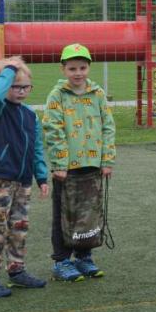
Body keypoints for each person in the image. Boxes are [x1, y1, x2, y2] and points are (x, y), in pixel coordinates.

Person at [0, 57, 50, 298]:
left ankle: (17, 271)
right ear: (4, 85)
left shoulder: (30, 115)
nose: (20, 91)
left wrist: (41, 176)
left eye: (25, 86)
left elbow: (36, 148)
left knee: (19, 227)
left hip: (24, 180)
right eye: (14, 86)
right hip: (1, 179)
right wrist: (9, 68)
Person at [43, 43, 115, 280]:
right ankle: (62, 261)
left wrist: (107, 160)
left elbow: (108, 127)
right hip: (67, 169)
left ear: (89, 67)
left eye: (82, 68)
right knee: (64, 215)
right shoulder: (57, 96)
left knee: (89, 213)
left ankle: (84, 257)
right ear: (63, 69)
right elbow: (53, 129)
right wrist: (59, 164)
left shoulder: (98, 94)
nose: (78, 73)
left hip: (92, 165)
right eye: (72, 68)